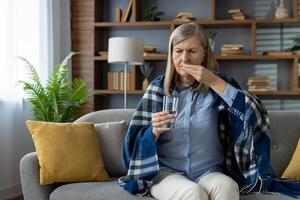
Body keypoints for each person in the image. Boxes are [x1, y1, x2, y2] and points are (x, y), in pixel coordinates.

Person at [118, 23, 300, 200]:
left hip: (209, 171)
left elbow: (251, 114)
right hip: (167, 173)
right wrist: (153, 132)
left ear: (204, 54)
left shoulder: (219, 85)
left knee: (228, 188)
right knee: (193, 193)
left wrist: (213, 81)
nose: (184, 59)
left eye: (192, 51)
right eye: (178, 51)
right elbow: (132, 145)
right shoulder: (157, 89)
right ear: (171, 54)